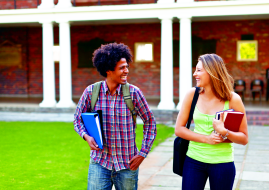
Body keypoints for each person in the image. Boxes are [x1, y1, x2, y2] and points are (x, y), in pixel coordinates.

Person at [74, 43, 157, 190]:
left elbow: (150, 123)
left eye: (127, 67)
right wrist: (86, 136)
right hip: (100, 163)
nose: (126, 71)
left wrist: (143, 153)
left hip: (127, 164)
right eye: (121, 68)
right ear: (108, 70)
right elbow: (77, 119)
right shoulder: (91, 92)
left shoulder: (134, 93)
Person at [175, 53, 248, 190]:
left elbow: (244, 138)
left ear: (212, 72)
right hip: (193, 161)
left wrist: (224, 132)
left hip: (222, 163)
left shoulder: (233, 99)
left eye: (199, 70)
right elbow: (179, 129)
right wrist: (206, 139)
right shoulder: (192, 95)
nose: (194, 74)